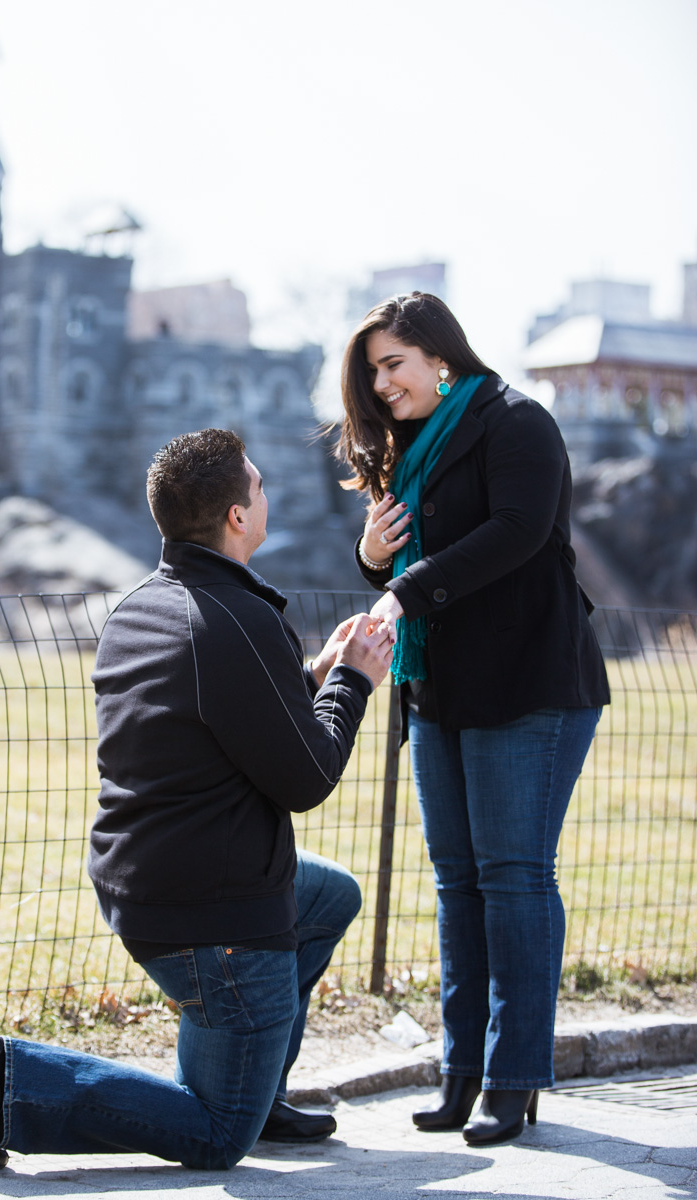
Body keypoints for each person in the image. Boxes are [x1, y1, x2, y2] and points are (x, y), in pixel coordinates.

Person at [0, 428, 393, 1173]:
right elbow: (307, 779)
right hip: (213, 912)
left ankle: (257, 1077)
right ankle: (2, 1078)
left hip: (144, 879)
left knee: (329, 895)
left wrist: (310, 676)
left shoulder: (142, 607)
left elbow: (219, 720)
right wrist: (354, 681)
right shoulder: (239, 619)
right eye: (260, 484)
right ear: (237, 518)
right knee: (216, 1134)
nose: (267, 492)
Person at [337, 292, 610, 1146]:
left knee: (514, 877)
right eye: (373, 371)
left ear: (440, 356)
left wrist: (401, 584)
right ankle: (461, 1072)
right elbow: (402, 557)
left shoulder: (515, 421)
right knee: (458, 883)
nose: (381, 386)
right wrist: (372, 555)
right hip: (442, 689)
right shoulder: (410, 449)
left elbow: (521, 531)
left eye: (394, 365)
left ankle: (514, 1078)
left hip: (529, 680)